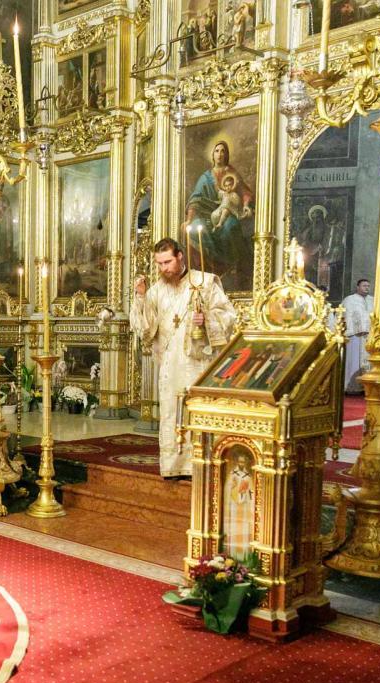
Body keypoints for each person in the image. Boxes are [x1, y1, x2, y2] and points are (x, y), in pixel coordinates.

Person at [130, 237, 236, 479]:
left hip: (198, 364)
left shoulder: (205, 283)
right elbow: (145, 330)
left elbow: (229, 316)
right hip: (169, 366)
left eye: (167, 262)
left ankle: (200, 463)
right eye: (159, 264)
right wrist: (141, 298)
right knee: (171, 413)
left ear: (179, 257)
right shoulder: (156, 290)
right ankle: (174, 466)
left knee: (196, 412)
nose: (163, 268)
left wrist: (207, 318)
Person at [184, 141, 254, 287]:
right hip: (206, 215)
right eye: (217, 151)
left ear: (226, 154)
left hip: (228, 213)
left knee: (231, 227)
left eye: (223, 151)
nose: (220, 154)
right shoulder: (206, 177)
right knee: (196, 229)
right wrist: (189, 220)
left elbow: (245, 192)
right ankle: (209, 268)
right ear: (213, 154)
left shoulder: (231, 173)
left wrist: (246, 205)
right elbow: (195, 199)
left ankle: (231, 266)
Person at [342, 279, 374, 394]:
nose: (366, 288)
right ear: (357, 286)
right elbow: (346, 315)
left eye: (368, 286)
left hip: (369, 336)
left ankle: (366, 388)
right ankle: (352, 387)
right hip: (354, 336)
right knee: (354, 362)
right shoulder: (349, 300)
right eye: (364, 285)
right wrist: (357, 327)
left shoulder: (372, 300)